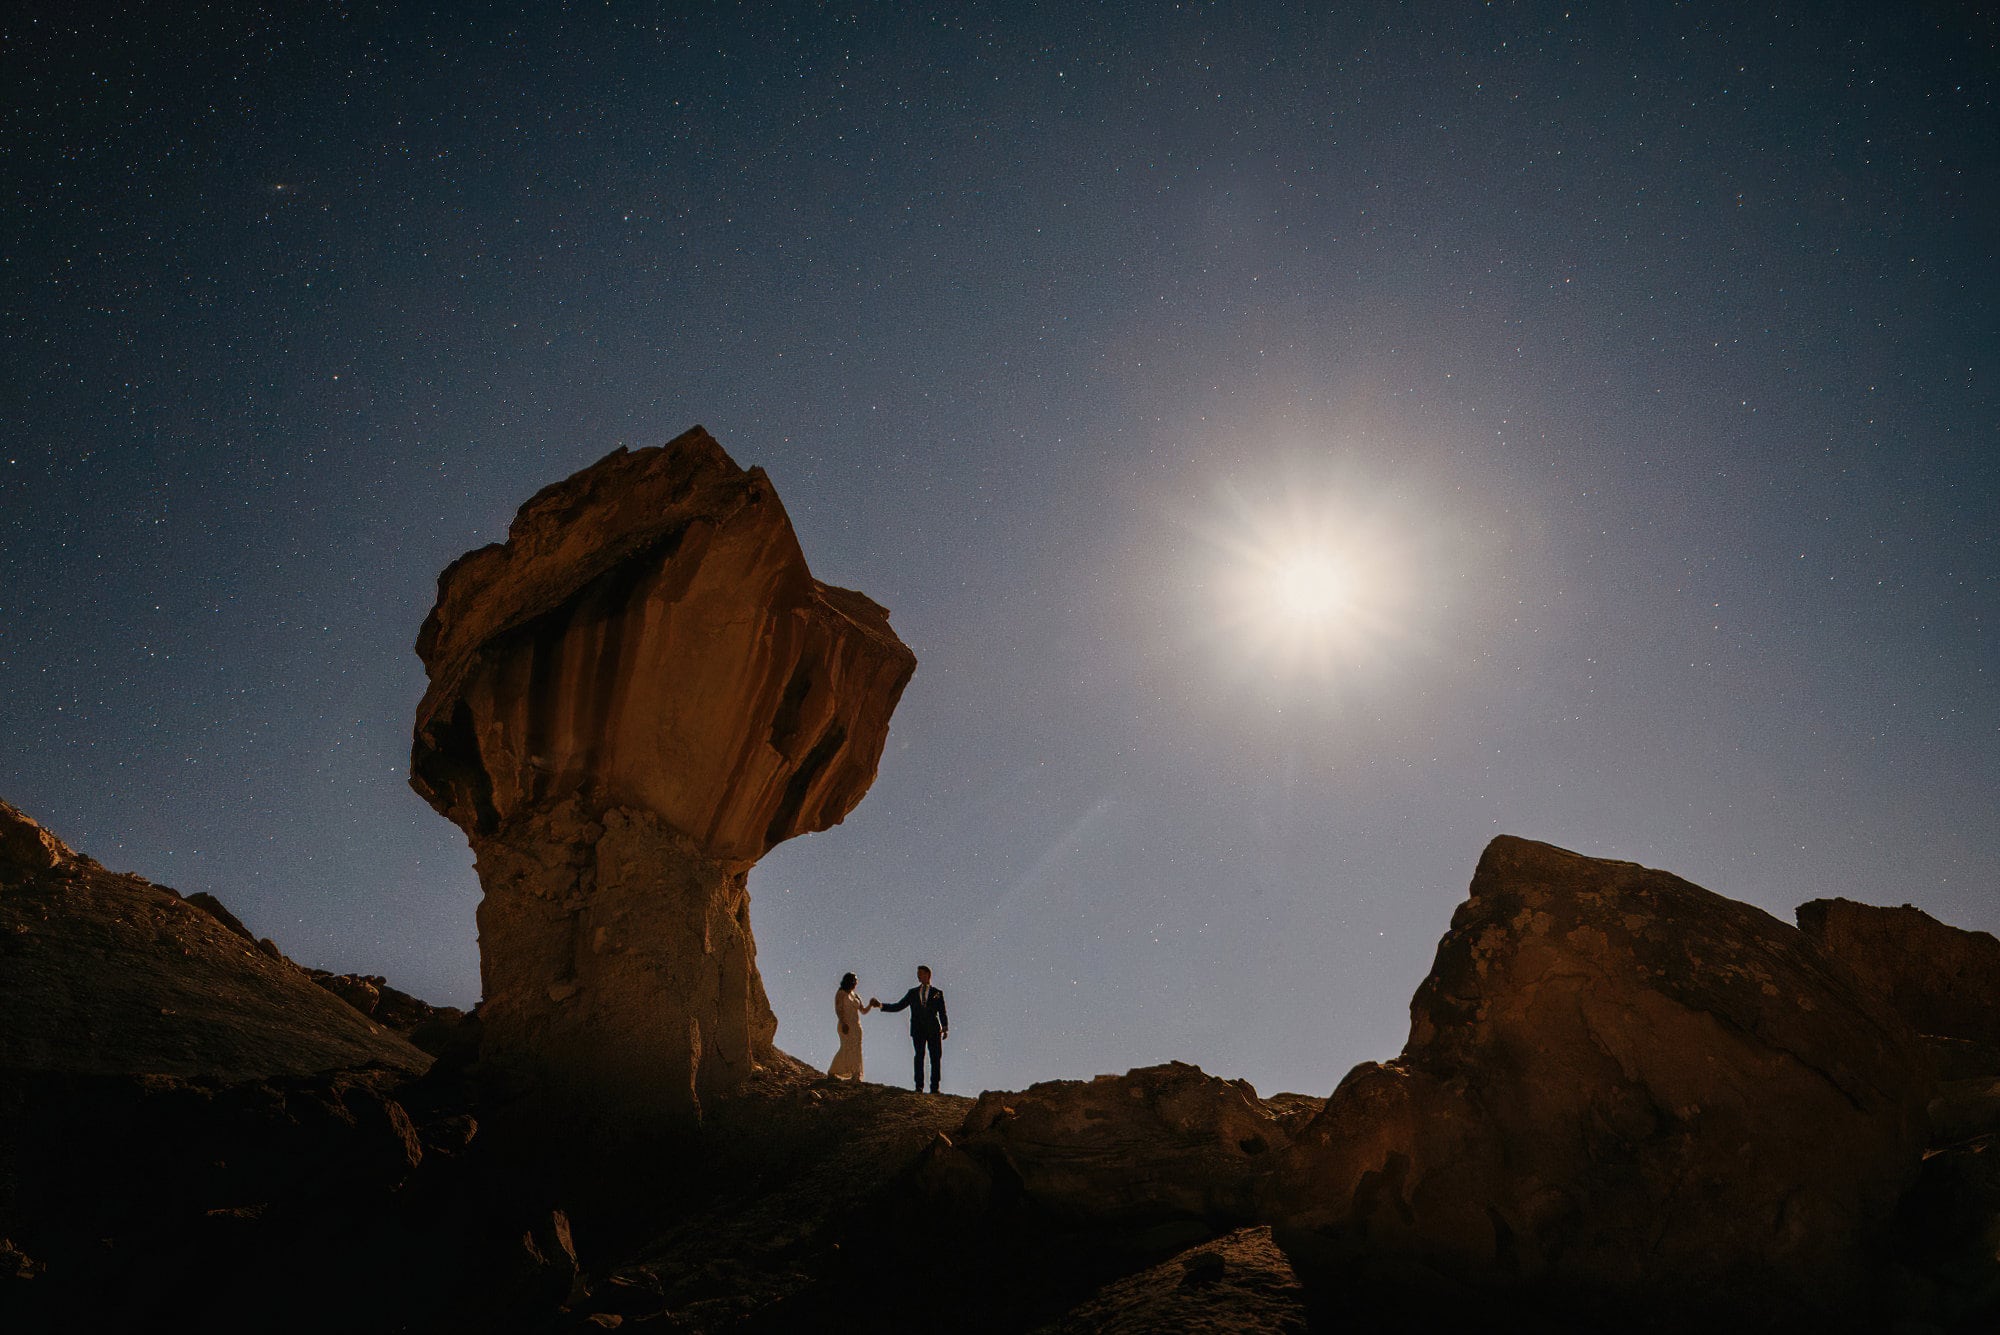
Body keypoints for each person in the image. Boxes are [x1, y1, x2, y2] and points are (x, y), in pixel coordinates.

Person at [874, 964, 949, 1093]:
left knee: (935, 1058)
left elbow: (942, 1011)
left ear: (928, 975)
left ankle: (935, 1088)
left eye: (921, 973)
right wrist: (881, 1006)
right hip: (918, 1029)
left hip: (933, 1029)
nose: (918, 976)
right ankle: (919, 1086)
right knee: (919, 1056)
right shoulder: (913, 993)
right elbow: (899, 1005)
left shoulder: (937, 993)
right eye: (918, 974)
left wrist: (945, 1027)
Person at [828, 971, 877, 1080]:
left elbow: (863, 1011)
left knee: (856, 1049)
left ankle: (856, 1073)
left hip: (856, 1025)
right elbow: (838, 1009)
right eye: (853, 980)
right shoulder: (841, 993)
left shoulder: (856, 996)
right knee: (846, 1047)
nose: (855, 983)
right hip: (846, 1024)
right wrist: (843, 1022)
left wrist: (870, 1005)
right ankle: (834, 1071)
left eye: (856, 981)